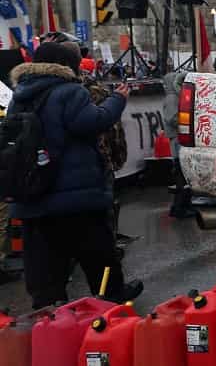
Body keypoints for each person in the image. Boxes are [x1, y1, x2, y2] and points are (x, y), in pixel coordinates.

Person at [8, 41, 143, 305]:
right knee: (99, 253)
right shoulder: (69, 92)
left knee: (45, 262)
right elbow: (93, 121)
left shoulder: (19, 96)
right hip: (75, 194)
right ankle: (110, 296)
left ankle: (47, 309)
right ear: (65, 65)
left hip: (33, 192)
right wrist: (118, 100)